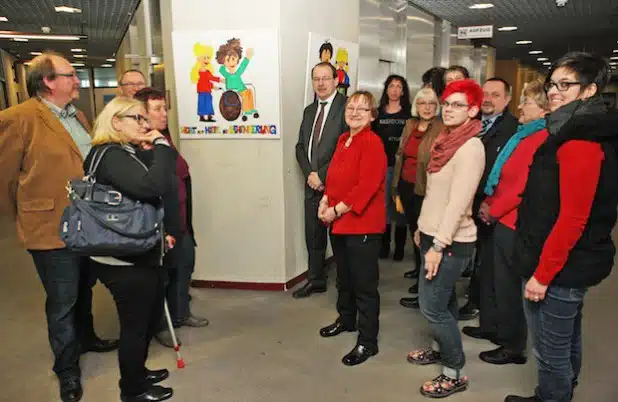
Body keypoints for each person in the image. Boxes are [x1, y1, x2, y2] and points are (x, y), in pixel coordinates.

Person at [0, 52, 118, 402]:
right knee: (63, 299)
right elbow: (3, 179)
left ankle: (88, 338)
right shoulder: (17, 119)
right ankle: (66, 368)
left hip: (85, 223)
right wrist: (23, 218)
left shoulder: (78, 116)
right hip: (48, 225)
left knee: (84, 286)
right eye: (70, 75)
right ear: (48, 81)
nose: (76, 80)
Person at [505, 52, 618, 402]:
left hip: (560, 267)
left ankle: (553, 396)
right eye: (553, 83)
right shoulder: (570, 129)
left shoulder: (581, 141)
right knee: (565, 341)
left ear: (589, 90)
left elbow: (573, 218)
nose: (554, 91)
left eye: (565, 85)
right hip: (561, 261)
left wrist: (542, 274)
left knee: (551, 352)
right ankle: (556, 393)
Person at [85, 97, 179, 402]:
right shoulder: (112, 155)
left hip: (127, 248)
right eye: (137, 118)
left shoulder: (117, 153)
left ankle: (138, 373)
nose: (146, 124)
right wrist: (163, 147)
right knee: (135, 326)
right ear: (116, 122)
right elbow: (154, 187)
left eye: (144, 118)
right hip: (122, 257)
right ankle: (133, 390)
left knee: (143, 319)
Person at [406, 79, 484, 399]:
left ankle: (454, 373)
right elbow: (435, 194)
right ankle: (441, 349)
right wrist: (422, 228)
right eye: (447, 104)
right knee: (445, 301)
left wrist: (437, 245)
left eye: (458, 105)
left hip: (451, 242)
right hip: (432, 233)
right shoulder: (445, 138)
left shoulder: (470, 147)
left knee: (432, 306)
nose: (449, 110)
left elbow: (458, 204)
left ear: (473, 110)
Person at [475, 80, 550, 366]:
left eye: (527, 102)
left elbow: (519, 186)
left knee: (508, 284)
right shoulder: (524, 134)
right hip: (501, 215)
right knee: (495, 278)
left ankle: (512, 345)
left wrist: (492, 210)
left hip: (512, 220)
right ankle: (494, 328)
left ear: (543, 109)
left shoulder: (538, 138)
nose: (521, 107)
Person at [133, 88, 209, 347]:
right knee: (162, 276)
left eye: (165, 108)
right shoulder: (140, 145)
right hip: (161, 222)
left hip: (181, 218)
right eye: (157, 109)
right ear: (142, 114)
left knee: (184, 265)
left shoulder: (163, 139)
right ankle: (161, 326)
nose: (164, 114)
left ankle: (180, 314)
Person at [317, 90, 387, 366]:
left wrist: (334, 210)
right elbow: (334, 179)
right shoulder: (343, 139)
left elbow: (366, 188)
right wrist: (325, 199)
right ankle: (346, 320)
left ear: (372, 115)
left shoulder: (373, 143)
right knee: (344, 279)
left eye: (362, 108)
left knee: (364, 285)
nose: (355, 112)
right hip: (340, 224)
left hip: (363, 225)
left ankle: (368, 341)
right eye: (351, 107)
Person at [459, 77, 519, 322]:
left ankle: (479, 303)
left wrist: (492, 201)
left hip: (490, 204)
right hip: (465, 199)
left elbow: (509, 173)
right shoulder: (469, 124)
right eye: (485, 94)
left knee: (486, 257)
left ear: (507, 100)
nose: (488, 99)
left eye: (495, 95)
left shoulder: (513, 130)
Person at [293, 61, 347, 298]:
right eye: (316, 79)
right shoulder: (309, 111)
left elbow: (345, 148)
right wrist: (310, 176)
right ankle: (316, 280)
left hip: (337, 186)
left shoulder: (347, 108)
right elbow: (300, 147)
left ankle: (346, 285)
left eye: (326, 78)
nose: (321, 83)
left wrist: (323, 175)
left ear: (336, 81)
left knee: (341, 240)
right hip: (312, 186)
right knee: (313, 236)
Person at [390, 88, 443, 308]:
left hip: (427, 191)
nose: (427, 107)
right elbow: (400, 155)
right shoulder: (410, 125)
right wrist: (395, 187)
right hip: (406, 186)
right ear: (416, 106)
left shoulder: (441, 128)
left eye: (432, 103)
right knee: (415, 235)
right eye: (423, 103)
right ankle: (422, 283)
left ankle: (427, 291)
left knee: (427, 239)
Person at [373, 74, 412, 261]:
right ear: (386, 89)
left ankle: (399, 248)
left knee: (400, 207)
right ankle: (384, 245)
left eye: (399, 86)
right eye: (391, 86)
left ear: (403, 91)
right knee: (384, 207)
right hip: (382, 166)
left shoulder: (409, 114)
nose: (395, 90)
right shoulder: (378, 113)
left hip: (402, 167)